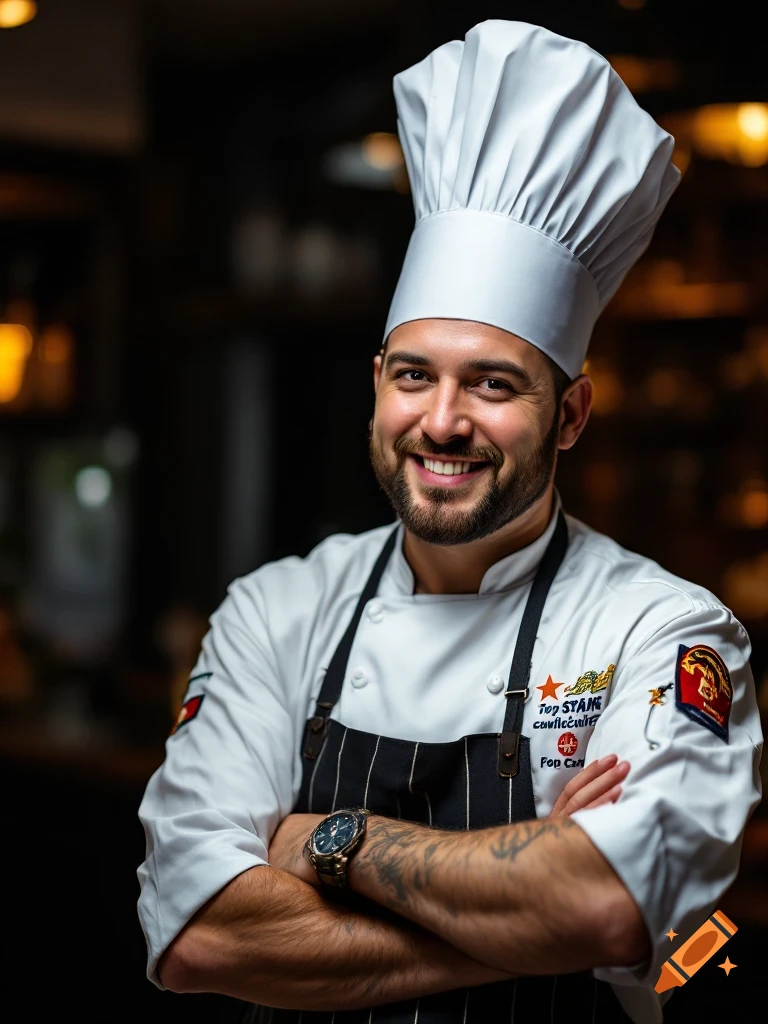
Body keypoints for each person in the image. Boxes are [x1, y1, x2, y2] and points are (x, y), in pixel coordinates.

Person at [137, 21, 763, 1024]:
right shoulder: (275, 613)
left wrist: (329, 841)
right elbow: (201, 934)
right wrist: (528, 915)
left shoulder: (661, 630)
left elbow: (606, 907)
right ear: (377, 385)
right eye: (413, 375)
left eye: (493, 384)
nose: (441, 420)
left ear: (571, 415)